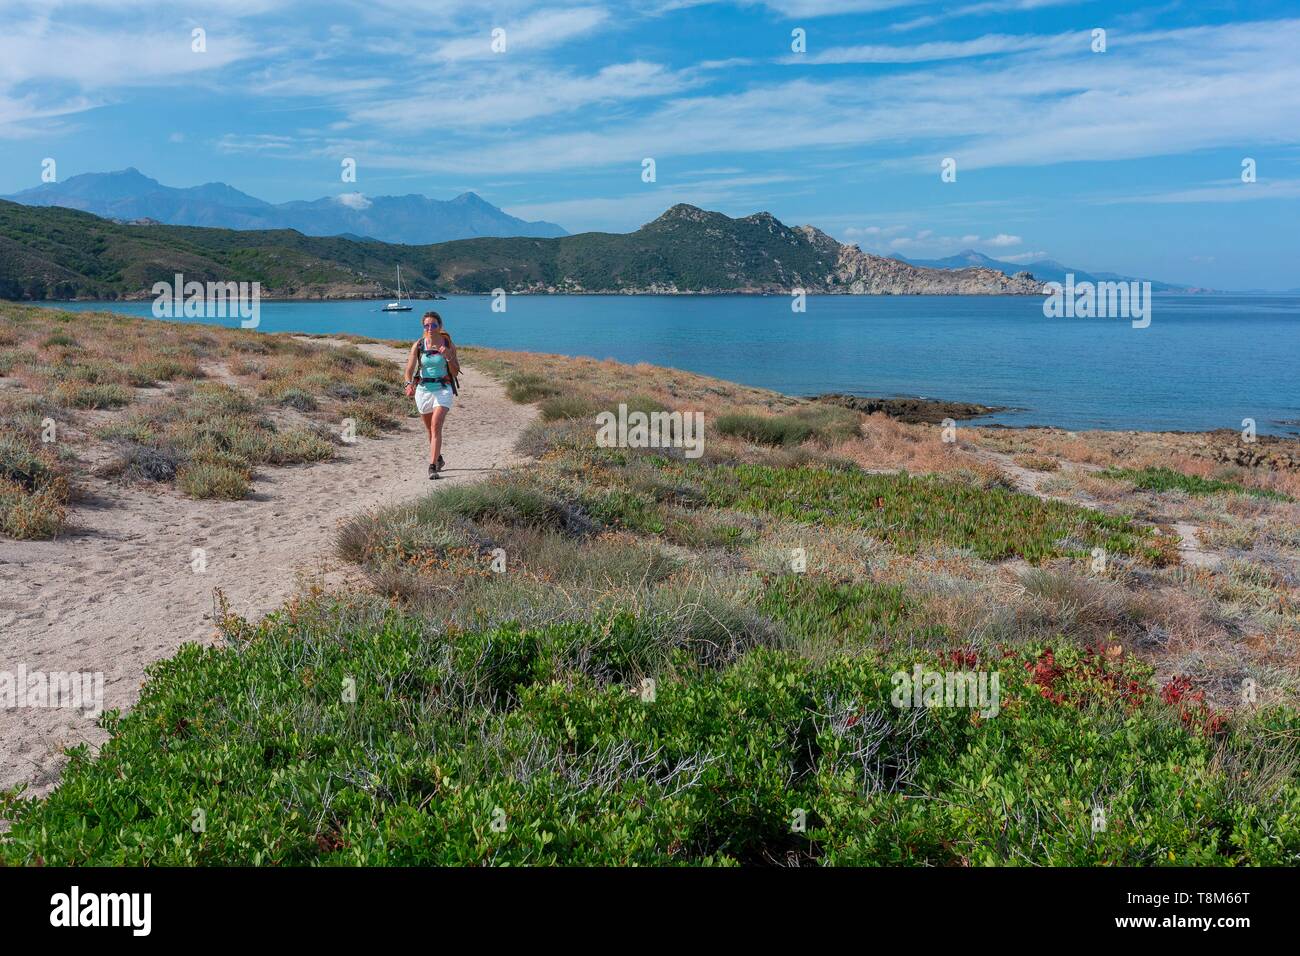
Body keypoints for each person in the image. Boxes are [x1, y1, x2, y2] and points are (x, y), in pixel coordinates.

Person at [403, 311, 459, 479]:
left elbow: (455, 372)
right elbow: (409, 371)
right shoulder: (419, 345)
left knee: (436, 426)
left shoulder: (448, 343)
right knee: (429, 430)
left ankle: (432, 466)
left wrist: (448, 356)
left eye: (433, 325)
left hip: (443, 389)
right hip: (423, 390)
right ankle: (439, 458)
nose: (430, 328)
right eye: (426, 325)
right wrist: (408, 384)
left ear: (439, 326)